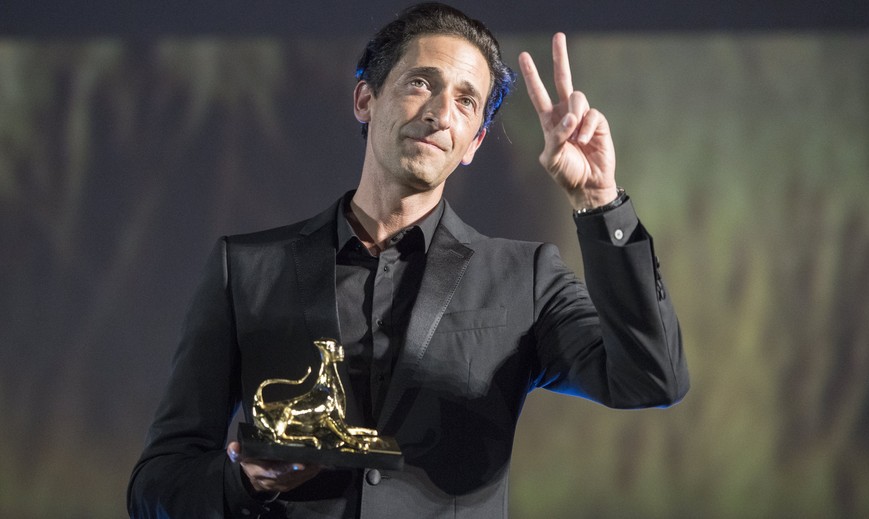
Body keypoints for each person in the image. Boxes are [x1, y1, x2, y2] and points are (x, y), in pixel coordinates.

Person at [127, 3, 689, 518]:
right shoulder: (246, 269)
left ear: (474, 142)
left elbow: (651, 379)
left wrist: (599, 203)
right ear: (365, 99)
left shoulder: (528, 278)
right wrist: (243, 479)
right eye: (422, 83)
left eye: (467, 101)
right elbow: (156, 488)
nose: (442, 113)